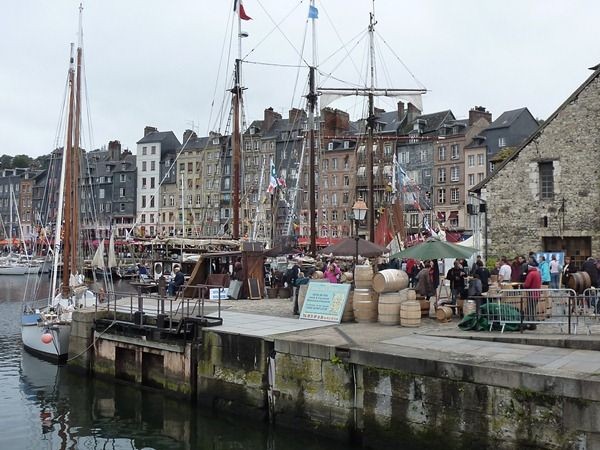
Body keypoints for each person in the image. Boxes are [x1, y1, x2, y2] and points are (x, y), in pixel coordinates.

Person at [523, 264, 542, 329]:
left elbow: (527, 284)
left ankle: (531, 325)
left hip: (531, 294)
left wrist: (524, 285)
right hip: (537, 294)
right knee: (532, 309)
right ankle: (532, 324)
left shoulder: (531, 274)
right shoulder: (538, 273)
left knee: (530, 309)